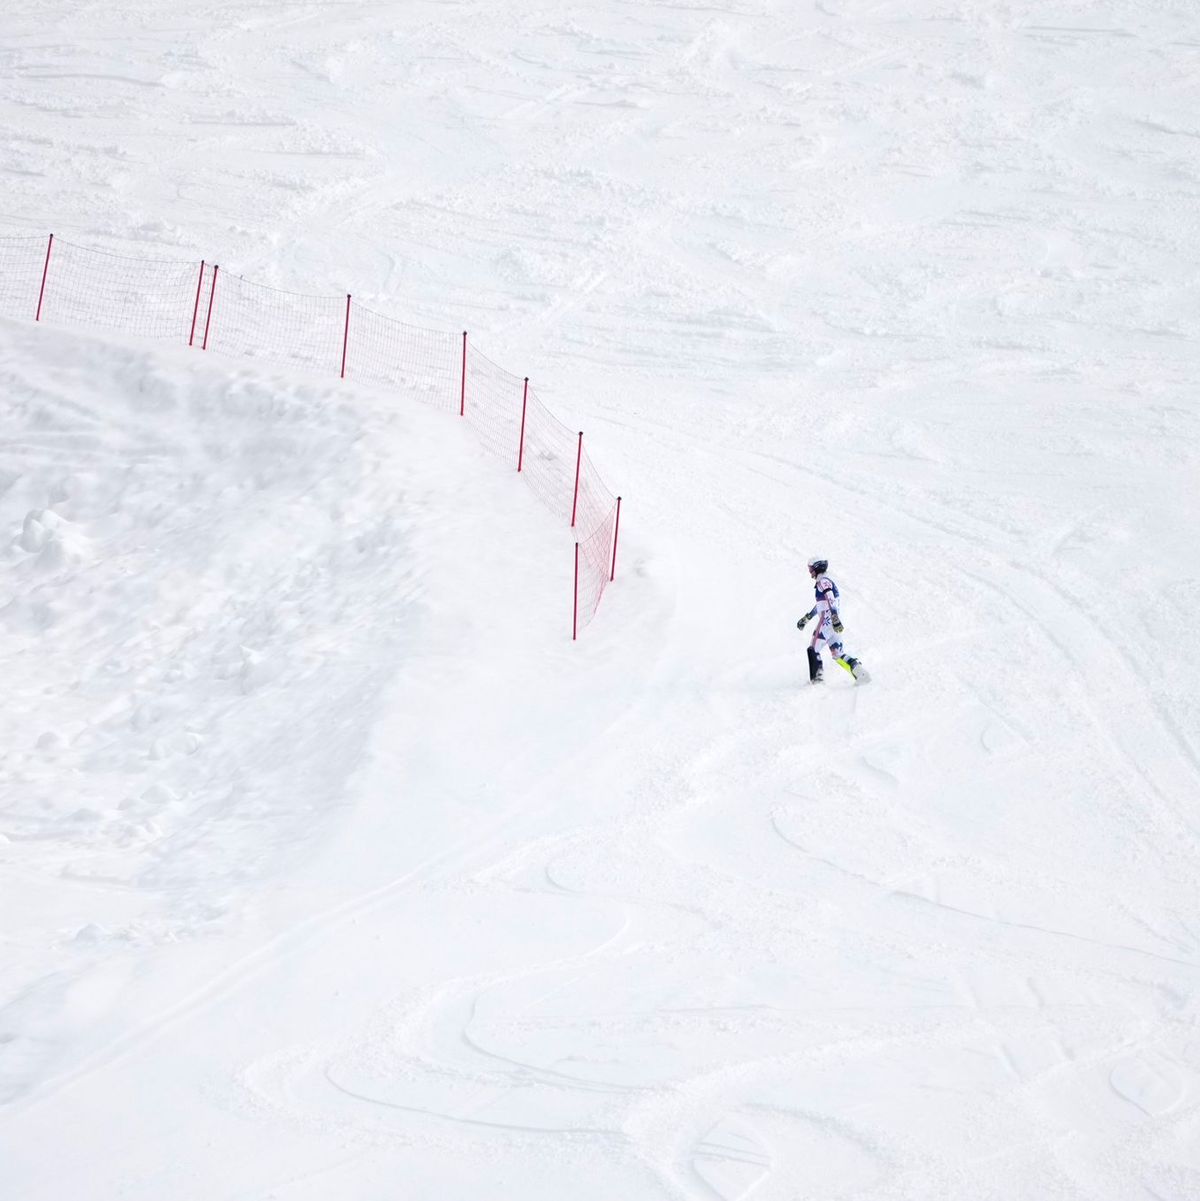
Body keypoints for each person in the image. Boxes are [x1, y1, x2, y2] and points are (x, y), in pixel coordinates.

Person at [796, 557, 869, 684]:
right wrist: (808, 617)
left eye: (811, 569)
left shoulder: (823, 582)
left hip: (827, 622)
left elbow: (829, 598)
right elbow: (822, 605)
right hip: (833, 624)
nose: (810, 572)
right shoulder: (826, 582)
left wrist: (833, 617)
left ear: (817, 568)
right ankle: (861, 673)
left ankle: (817, 680)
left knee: (813, 649)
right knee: (838, 654)